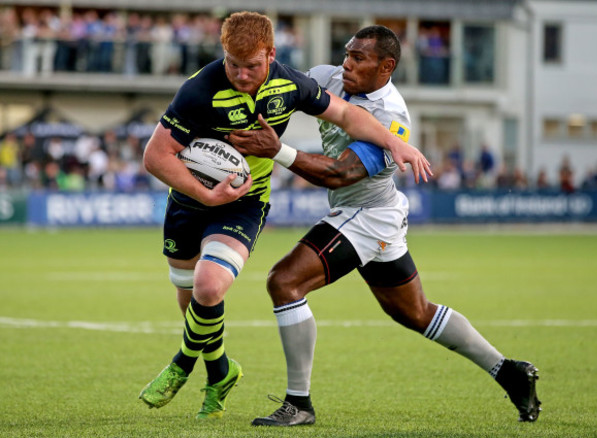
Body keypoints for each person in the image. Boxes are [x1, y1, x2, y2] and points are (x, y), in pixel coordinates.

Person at [228, 25, 541, 426]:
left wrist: (279, 151)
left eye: (360, 58)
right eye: (347, 54)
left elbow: (341, 174)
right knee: (415, 313)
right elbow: (274, 85)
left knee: (284, 282)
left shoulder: (392, 120)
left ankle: (299, 404)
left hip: (368, 216)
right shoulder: (327, 77)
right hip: (371, 215)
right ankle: (510, 372)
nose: (347, 64)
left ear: (386, 66)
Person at [138, 12, 431, 420]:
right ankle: (220, 371)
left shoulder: (290, 83)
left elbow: (347, 115)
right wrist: (206, 191)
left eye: (252, 66)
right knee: (190, 300)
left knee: (208, 287)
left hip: (244, 202)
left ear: (271, 54)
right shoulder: (199, 89)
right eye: (232, 65)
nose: (241, 75)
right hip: (187, 203)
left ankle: (181, 365)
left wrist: (394, 143)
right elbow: (155, 156)